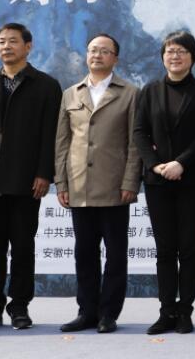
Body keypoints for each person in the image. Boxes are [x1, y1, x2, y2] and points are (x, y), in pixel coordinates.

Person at [0, 22, 62, 331]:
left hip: (26, 181)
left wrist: (44, 172)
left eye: (13, 41)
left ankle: (19, 306)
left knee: (22, 247)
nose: (6, 46)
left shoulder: (46, 86)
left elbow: (51, 134)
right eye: (2, 42)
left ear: (28, 47)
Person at [54, 33, 141, 334]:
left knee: (115, 255)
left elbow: (134, 144)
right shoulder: (71, 94)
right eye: (93, 50)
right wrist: (61, 182)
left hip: (115, 187)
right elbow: (62, 142)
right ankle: (86, 311)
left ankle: (108, 314)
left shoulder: (130, 93)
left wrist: (130, 181)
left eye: (104, 51)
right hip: (79, 186)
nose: (97, 55)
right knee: (84, 253)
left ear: (115, 58)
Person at [135, 30, 195, 335]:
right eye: (170, 51)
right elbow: (139, 132)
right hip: (157, 182)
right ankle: (166, 310)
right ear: (162, 57)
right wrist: (155, 165)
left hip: (192, 179)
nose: (175, 56)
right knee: (165, 249)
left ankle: (185, 311)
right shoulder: (150, 91)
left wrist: (181, 163)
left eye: (182, 51)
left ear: (192, 57)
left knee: (188, 248)